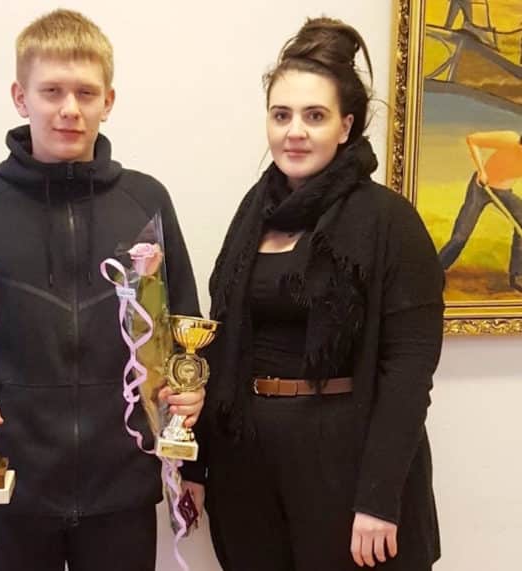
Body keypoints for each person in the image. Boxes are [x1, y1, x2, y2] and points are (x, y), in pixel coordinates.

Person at [0, 9, 203, 571]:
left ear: (108, 101)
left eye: (86, 93)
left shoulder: (147, 202)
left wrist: (187, 393)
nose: (70, 108)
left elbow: (180, 329)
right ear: (21, 98)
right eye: (52, 91)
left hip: (121, 493)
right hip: (11, 492)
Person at [181, 17, 444, 571]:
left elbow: (409, 367)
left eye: (314, 116)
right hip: (247, 464)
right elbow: (220, 341)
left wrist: (379, 498)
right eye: (281, 115)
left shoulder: (389, 221)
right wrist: (196, 463)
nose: (294, 131)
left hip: (343, 465)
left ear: (346, 127)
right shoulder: (253, 214)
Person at [438, 130, 522, 292]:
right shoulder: (509, 139)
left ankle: (517, 275)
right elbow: (472, 139)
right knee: (461, 235)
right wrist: (482, 171)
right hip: (480, 187)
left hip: (504, 192)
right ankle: (436, 269)